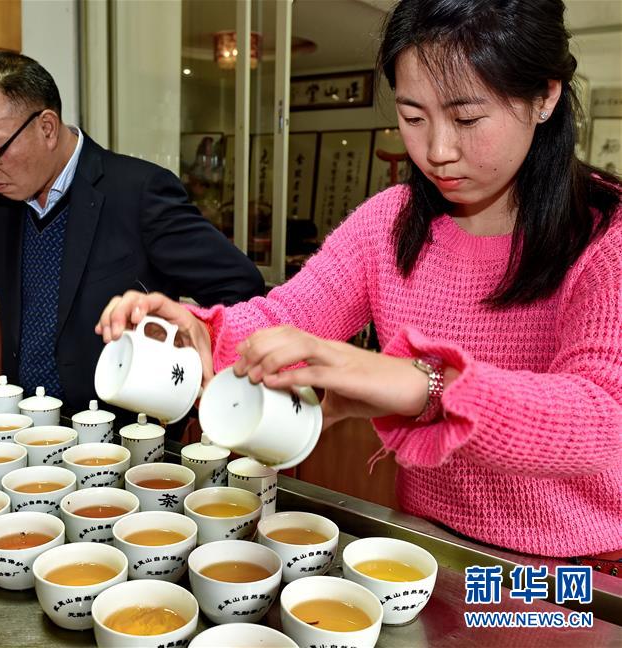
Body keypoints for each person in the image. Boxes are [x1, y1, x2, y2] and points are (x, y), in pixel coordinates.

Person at [98, 0, 622, 565]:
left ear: (544, 97)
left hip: (579, 570)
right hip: (429, 547)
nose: (438, 152)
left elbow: (601, 416)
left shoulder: (606, 238)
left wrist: (424, 383)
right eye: (413, 117)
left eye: (467, 118)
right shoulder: (389, 222)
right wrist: (200, 331)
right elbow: (287, 317)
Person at [0, 53, 265, 414]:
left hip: (124, 425)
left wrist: (186, 342)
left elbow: (238, 286)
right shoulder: (6, 195)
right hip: (30, 417)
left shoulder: (138, 192)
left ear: (47, 128)